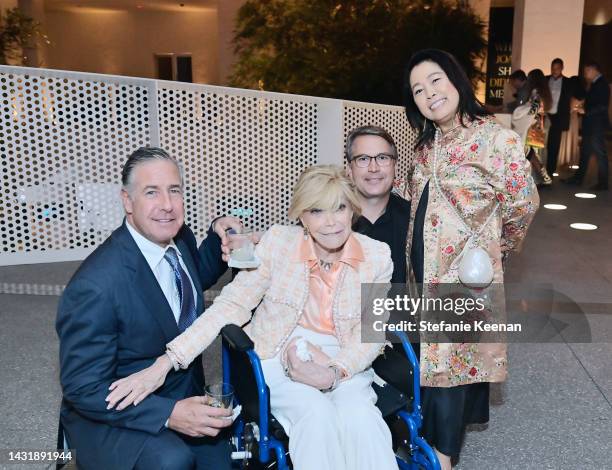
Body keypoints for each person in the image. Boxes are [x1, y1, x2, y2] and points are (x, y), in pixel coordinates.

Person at [105, 165, 399, 470]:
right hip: (278, 351)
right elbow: (231, 305)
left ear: (352, 209)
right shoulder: (279, 243)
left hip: (344, 357)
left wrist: (335, 372)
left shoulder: (376, 255)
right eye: (316, 211)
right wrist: (167, 361)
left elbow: (371, 332)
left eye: (339, 208)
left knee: (361, 418)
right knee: (315, 414)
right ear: (302, 217)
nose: (331, 222)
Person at [56, 147, 242, 470]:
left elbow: (191, 278)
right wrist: (169, 415)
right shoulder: (95, 285)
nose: (167, 206)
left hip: (181, 391)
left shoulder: (179, 237)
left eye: (174, 190)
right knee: (173, 461)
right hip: (118, 412)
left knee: (227, 461)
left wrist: (216, 231)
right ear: (127, 201)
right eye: (151, 192)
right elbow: (82, 387)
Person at [403, 49, 539, 469]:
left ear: (457, 81)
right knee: (436, 363)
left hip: (465, 277)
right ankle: (432, 446)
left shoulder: (497, 139)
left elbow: (523, 204)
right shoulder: (426, 146)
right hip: (421, 273)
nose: (429, 94)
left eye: (436, 80)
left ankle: (442, 459)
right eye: (419, 90)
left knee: (449, 368)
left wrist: (501, 246)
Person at [346, 125, 416, 395]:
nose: (373, 168)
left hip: (399, 337)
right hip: (337, 334)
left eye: (382, 158)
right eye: (363, 159)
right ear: (350, 168)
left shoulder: (415, 220)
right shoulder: (329, 219)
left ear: (395, 165)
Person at [564, 61, 610, 190]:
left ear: (594, 69)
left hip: (597, 124)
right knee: (585, 152)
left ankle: (603, 183)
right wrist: (583, 107)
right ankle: (578, 178)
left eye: (586, 71)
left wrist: (585, 111)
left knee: (600, 154)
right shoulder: (595, 84)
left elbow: (602, 106)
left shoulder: (602, 84)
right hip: (591, 124)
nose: (585, 74)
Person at [512, 69, 554, 186]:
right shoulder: (544, 91)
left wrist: (521, 111)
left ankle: (543, 178)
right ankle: (543, 178)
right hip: (540, 123)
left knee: (531, 152)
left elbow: (533, 110)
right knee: (533, 153)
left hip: (534, 125)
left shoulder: (536, 92)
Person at [545, 58, 574, 178]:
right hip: (545, 115)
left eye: (557, 68)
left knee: (553, 145)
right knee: (540, 143)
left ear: (562, 68)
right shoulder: (546, 79)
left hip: (558, 117)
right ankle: (539, 169)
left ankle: (549, 172)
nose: (554, 70)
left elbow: (575, 96)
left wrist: (571, 109)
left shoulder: (568, 82)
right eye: (553, 68)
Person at [557, 76, 585, 170]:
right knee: (571, 140)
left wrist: (574, 108)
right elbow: (583, 110)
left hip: (568, 118)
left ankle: (564, 162)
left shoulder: (569, 95)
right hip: (574, 120)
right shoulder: (581, 96)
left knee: (566, 140)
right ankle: (569, 162)